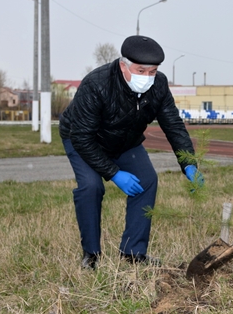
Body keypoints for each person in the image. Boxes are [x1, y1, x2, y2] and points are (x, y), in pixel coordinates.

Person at [59, 35, 204, 269]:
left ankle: (133, 253)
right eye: (140, 70)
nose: (147, 77)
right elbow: (81, 137)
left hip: (126, 141)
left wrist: (188, 163)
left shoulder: (159, 85)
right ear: (123, 65)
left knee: (147, 181)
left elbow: (173, 125)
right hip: (85, 139)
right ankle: (91, 255)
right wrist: (114, 173)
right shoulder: (96, 83)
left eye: (153, 71)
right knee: (91, 187)